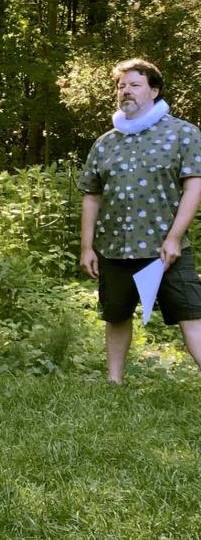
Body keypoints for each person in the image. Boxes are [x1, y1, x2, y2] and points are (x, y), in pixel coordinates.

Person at [78, 58, 201, 383]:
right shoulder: (105, 143)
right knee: (116, 316)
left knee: (192, 315)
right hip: (114, 249)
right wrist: (87, 247)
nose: (126, 92)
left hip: (167, 249)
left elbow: (194, 185)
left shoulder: (182, 133)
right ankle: (114, 382)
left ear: (154, 90)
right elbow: (91, 196)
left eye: (134, 85)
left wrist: (174, 237)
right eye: (121, 86)